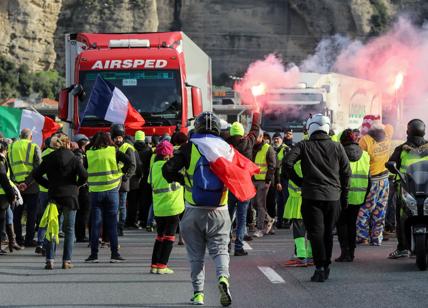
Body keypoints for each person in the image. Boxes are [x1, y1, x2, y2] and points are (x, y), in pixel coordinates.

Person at [162, 112, 232, 306]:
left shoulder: (188, 148)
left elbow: (167, 170)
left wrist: (183, 180)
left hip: (193, 210)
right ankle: (223, 278)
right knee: (220, 251)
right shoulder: (226, 148)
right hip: (220, 210)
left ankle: (198, 294)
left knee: (196, 256)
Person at [283, 114, 351, 282]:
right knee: (328, 233)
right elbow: (346, 173)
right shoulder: (337, 147)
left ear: (310, 128)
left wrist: (299, 181)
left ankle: (320, 267)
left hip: (311, 196)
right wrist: (344, 196)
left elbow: (286, 163)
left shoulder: (303, 145)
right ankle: (325, 265)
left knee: (315, 233)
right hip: (333, 197)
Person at [33, 135, 88, 269]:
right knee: (69, 230)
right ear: (68, 144)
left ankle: (50, 259)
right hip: (70, 196)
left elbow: (36, 174)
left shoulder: (49, 158)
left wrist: (48, 185)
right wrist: (76, 185)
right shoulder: (74, 159)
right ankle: (66, 260)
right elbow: (84, 175)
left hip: (54, 196)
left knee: (52, 228)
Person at [84, 132, 132, 263]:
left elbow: (83, 170)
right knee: (111, 224)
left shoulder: (89, 154)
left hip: (95, 192)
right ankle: (114, 254)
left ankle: (94, 255)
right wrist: (121, 174)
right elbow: (129, 162)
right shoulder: (113, 151)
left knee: (95, 225)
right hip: (112, 191)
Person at [386, 119, 428, 259]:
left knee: (402, 217)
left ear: (408, 131)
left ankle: (403, 248)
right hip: (412, 188)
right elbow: (390, 164)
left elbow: (390, 164)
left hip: (405, 188)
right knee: (402, 216)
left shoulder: (401, 149)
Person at [226, 112, 261, 256]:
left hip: (230, 186)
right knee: (242, 219)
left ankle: (227, 245)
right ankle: (239, 247)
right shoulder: (248, 142)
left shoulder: (226, 146)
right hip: (244, 187)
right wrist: (256, 112)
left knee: (227, 218)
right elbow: (255, 129)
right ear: (242, 133)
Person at [356, 115, 393, 246]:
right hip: (385, 180)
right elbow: (389, 126)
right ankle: (377, 238)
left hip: (372, 181)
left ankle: (362, 237)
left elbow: (358, 156)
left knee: (365, 209)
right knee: (380, 209)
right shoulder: (387, 134)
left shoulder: (365, 140)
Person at [148, 140, 184, 274]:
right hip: (172, 205)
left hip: (158, 206)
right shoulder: (172, 166)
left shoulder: (154, 167)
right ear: (169, 154)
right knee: (169, 237)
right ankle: (163, 265)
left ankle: (154, 265)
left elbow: (150, 183)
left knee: (159, 236)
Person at [335, 129, 370, 262]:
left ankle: (345, 252)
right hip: (359, 195)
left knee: (342, 224)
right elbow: (369, 178)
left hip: (341, 194)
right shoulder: (365, 155)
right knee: (352, 224)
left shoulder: (338, 153)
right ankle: (352, 253)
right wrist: (365, 195)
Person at [8, 128, 42, 247]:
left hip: (16, 186)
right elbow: (38, 168)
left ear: (20, 136)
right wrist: (27, 183)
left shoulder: (11, 147)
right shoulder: (34, 146)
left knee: (17, 214)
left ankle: (18, 239)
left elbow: (9, 167)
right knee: (32, 214)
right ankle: (29, 239)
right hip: (31, 186)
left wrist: (15, 182)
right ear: (30, 137)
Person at [282, 160, 313, 267]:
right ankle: (310, 256)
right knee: (311, 229)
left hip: (298, 201)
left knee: (299, 230)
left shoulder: (297, 165)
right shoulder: (315, 164)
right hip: (313, 200)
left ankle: (301, 256)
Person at [110, 124, 136, 236]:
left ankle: (120, 227)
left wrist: (126, 176)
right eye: (115, 138)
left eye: (119, 137)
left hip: (123, 182)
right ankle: (114, 227)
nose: (117, 140)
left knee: (121, 206)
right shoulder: (111, 147)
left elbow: (133, 165)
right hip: (113, 181)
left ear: (123, 137)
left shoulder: (127, 148)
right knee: (114, 206)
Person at [252, 130, 276, 238]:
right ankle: (269, 219)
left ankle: (260, 229)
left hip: (263, 181)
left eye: (256, 137)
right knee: (254, 204)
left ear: (261, 137)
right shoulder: (253, 147)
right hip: (253, 180)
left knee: (260, 205)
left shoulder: (268, 148)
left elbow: (272, 166)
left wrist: (268, 181)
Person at [35, 137, 56, 255]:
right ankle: (47, 244)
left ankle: (40, 242)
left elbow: (38, 172)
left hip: (43, 189)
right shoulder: (56, 155)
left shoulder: (44, 153)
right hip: (54, 190)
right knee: (52, 218)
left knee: (43, 217)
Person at [0, 141, 19, 254]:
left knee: (8, 217)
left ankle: (11, 241)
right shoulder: (1, 161)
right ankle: (5, 242)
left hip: (4, 195)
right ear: (4, 150)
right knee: (2, 220)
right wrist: (12, 195)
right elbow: (4, 179)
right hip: (2, 195)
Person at [73, 134, 91, 242]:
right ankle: (81, 235)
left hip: (79, 187)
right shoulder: (79, 155)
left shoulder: (78, 154)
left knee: (80, 212)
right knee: (83, 212)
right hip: (82, 187)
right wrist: (81, 184)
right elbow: (82, 172)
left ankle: (80, 234)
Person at [273, 132, 289, 230]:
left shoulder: (286, 149)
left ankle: (286, 220)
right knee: (279, 201)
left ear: (281, 139)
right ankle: (279, 220)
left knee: (286, 200)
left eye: (278, 138)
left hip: (285, 178)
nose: (276, 140)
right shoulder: (272, 148)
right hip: (276, 178)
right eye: (274, 138)